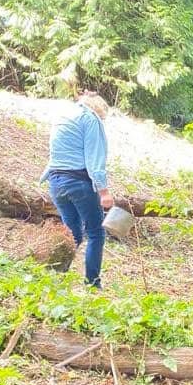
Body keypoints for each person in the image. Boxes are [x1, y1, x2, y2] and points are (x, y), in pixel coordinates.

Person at [41, 93, 113, 288]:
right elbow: (94, 159)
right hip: (78, 182)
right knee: (96, 233)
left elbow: (56, 153)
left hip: (56, 181)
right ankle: (92, 284)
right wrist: (104, 192)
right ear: (99, 108)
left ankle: (55, 276)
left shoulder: (63, 116)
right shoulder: (90, 119)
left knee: (73, 235)